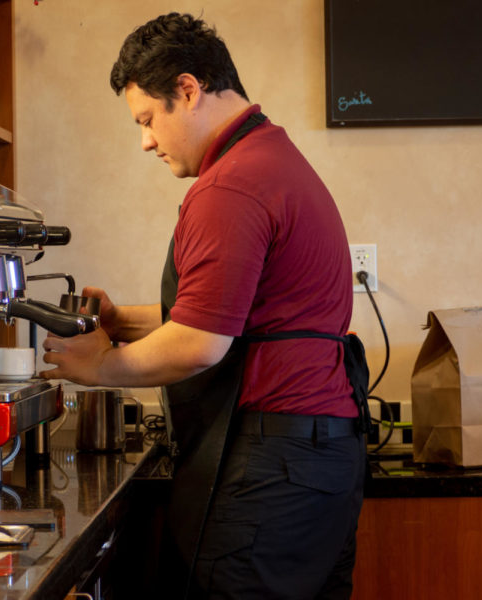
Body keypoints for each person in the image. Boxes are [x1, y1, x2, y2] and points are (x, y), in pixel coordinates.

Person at [40, 12, 366, 600]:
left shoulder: (230, 185)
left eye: (147, 119)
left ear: (188, 90)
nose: (145, 141)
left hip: (272, 463)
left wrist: (100, 368)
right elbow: (234, 317)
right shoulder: (273, 160)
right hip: (319, 459)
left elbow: (199, 342)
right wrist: (121, 323)